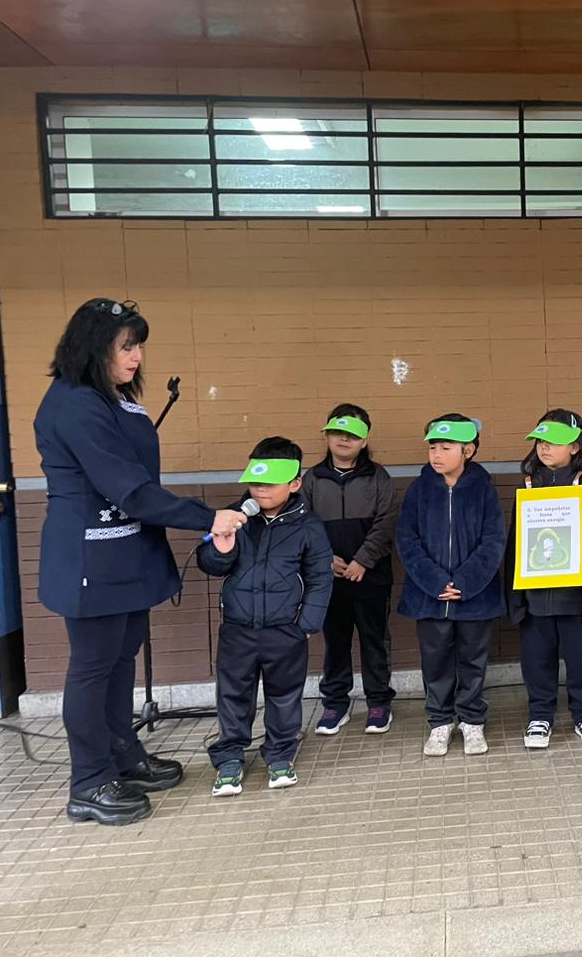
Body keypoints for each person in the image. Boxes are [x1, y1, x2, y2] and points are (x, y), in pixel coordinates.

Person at [34, 298, 247, 826]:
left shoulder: (109, 399)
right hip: (91, 556)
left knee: (121, 658)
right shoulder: (75, 404)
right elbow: (129, 488)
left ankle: (123, 756)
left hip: (125, 551)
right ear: (94, 347)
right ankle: (88, 781)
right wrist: (207, 517)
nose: (137, 357)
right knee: (93, 666)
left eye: (138, 346)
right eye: (126, 346)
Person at [200, 438, 333, 796]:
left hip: (285, 630)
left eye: (270, 483)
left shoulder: (308, 526)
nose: (260, 490)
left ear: (294, 483)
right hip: (238, 628)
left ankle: (280, 754)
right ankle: (229, 759)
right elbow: (210, 564)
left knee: (284, 696)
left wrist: (306, 624)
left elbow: (320, 577)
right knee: (233, 695)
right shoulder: (233, 517)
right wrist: (221, 546)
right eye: (255, 482)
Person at [395, 414, 505, 758]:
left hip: (475, 596)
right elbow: (407, 539)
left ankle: (472, 720)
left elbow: (493, 540)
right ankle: (440, 721)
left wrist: (465, 581)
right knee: (435, 660)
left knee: (473, 660)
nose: (436, 454)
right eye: (433, 447)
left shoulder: (484, 489)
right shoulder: (419, 489)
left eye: (446, 447)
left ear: (467, 451)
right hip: (430, 596)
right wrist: (436, 581)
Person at [508, 409, 582, 749]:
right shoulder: (527, 485)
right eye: (540, 441)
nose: (544, 447)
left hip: (576, 599)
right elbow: (515, 545)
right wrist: (516, 599)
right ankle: (540, 716)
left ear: (575, 447)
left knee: (581, 661)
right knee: (536, 660)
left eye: (554, 441)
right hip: (535, 598)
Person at [301, 405, 397, 736]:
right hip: (328, 579)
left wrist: (363, 560)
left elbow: (386, 523)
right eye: (337, 432)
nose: (344, 439)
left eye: (353, 435)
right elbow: (304, 525)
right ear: (327, 436)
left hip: (372, 576)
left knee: (374, 641)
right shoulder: (311, 479)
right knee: (336, 643)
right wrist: (325, 559)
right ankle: (335, 704)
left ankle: (379, 702)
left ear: (364, 440)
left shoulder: (379, 477)